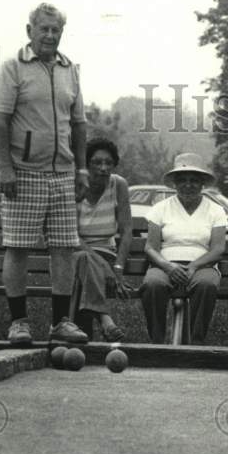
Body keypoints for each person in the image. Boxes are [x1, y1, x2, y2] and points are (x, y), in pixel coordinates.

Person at [0, 2, 89, 346]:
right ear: (30, 30)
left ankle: (61, 322)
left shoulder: (69, 69)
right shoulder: (12, 67)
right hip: (22, 173)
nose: (50, 35)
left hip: (62, 173)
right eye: (44, 29)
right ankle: (19, 322)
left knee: (64, 249)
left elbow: (79, 124)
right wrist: (6, 168)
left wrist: (82, 168)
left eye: (56, 30)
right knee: (18, 247)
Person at [141, 153, 228, 344]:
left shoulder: (215, 210)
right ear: (174, 183)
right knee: (153, 284)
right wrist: (168, 267)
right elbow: (150, 247)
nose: (188, 185)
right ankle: (157, 344)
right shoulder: (161, 208)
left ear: (202, 183)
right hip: (165, 266)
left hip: (202, 266)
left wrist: (194, 266)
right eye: (182, 180)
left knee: (207, 285)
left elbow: (218, 249)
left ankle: (196, 345)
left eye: (194, 180)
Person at [71, 138, 132, 342]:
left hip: (105, 252)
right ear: (86, 165)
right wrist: (104, 268)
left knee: (84, 265)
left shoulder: (119, 184)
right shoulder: (75, 185)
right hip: (73, 249)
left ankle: (82, 340)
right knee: (83, 259)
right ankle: (106, 320)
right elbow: (70, 234)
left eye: (108, 163)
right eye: (97, 162)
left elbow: (126, 230)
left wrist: (118, 268)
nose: (103, 168)